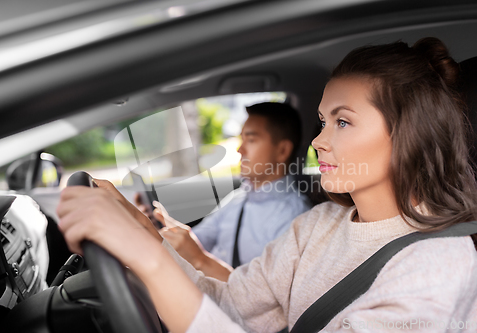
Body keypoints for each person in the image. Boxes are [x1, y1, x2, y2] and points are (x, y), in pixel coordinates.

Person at [57, 37, 477, 333]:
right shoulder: (318, 225)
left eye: (343, 121)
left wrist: (149, 260)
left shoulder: (437, 264)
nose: (318, 140)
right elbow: (230, 306)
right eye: (323, 121)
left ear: (409, 134)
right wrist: (144, 234)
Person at [144, 102, 311, 281]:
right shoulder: (239, 197)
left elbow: (264, 296)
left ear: (282, 150)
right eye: (242, 139)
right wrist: (159, 228)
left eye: (251, 140)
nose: (240, 149)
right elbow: (198, 240)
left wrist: (201, 260)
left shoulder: (294, 218)